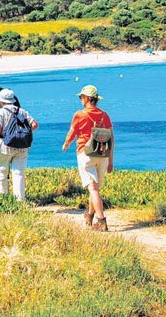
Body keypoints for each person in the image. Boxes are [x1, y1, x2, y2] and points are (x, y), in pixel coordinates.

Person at [62, 85, 114, 232]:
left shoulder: (80, 114)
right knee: (95, 189)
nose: (81, 100)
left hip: (85, 154)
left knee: (93, 189)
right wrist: (111, 160)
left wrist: (66, 144)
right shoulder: (104, 115)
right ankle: (90, 215)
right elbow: (111, 139)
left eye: (81, 97)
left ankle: (101, 221)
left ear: (86, 98)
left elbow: (72, 133)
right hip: (102, 154)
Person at [0, 89, 38, 201]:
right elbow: (35, 125)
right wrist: (22, 134)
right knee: (19, 173)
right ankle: (19, 200)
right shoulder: (22, 111)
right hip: (22, 146)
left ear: (2, 101)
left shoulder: (0, 112)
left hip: (4, 146)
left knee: (2, 171)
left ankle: (3, 198)